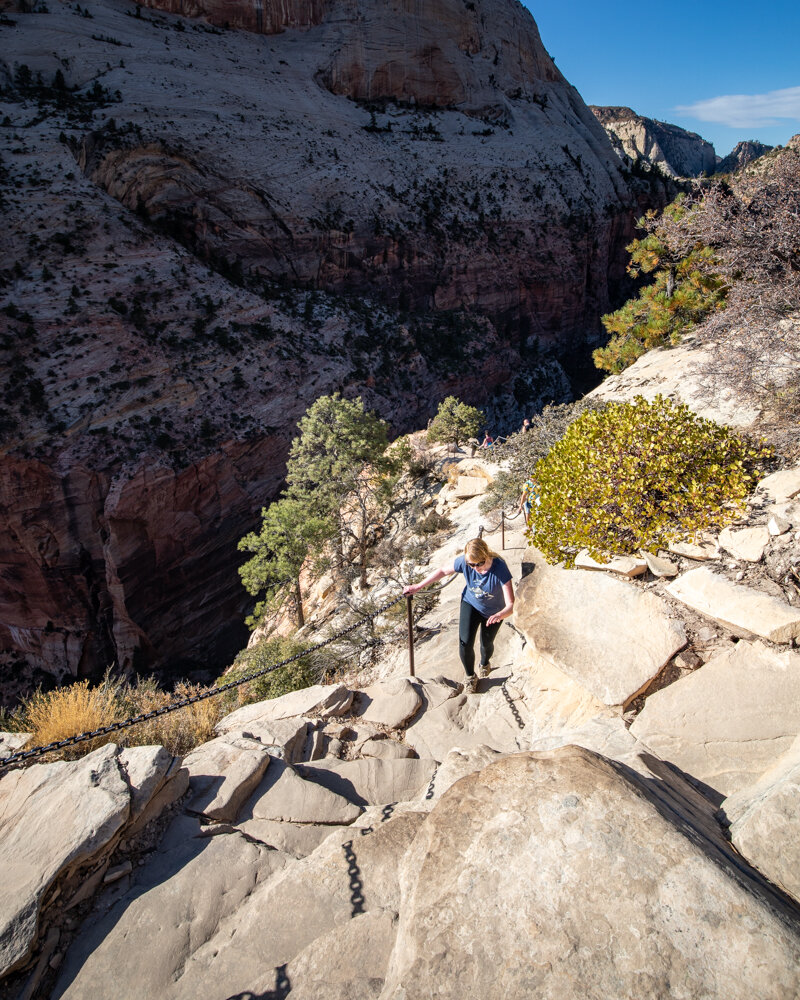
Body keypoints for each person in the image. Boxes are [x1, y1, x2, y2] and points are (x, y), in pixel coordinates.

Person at [403, 537, 514, 693]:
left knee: (486, 644)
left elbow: (510, 605)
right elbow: (443, 570)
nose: (476, 568)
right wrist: (418, 586)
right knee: (465, 642)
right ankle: (470, 677)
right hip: (471, 604)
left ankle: (484, 663)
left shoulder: (500, 568)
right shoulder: (464, 562)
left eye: (480, 564)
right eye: (471, 565)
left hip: (495, 611)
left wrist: (501, 614)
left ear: (486, 555)